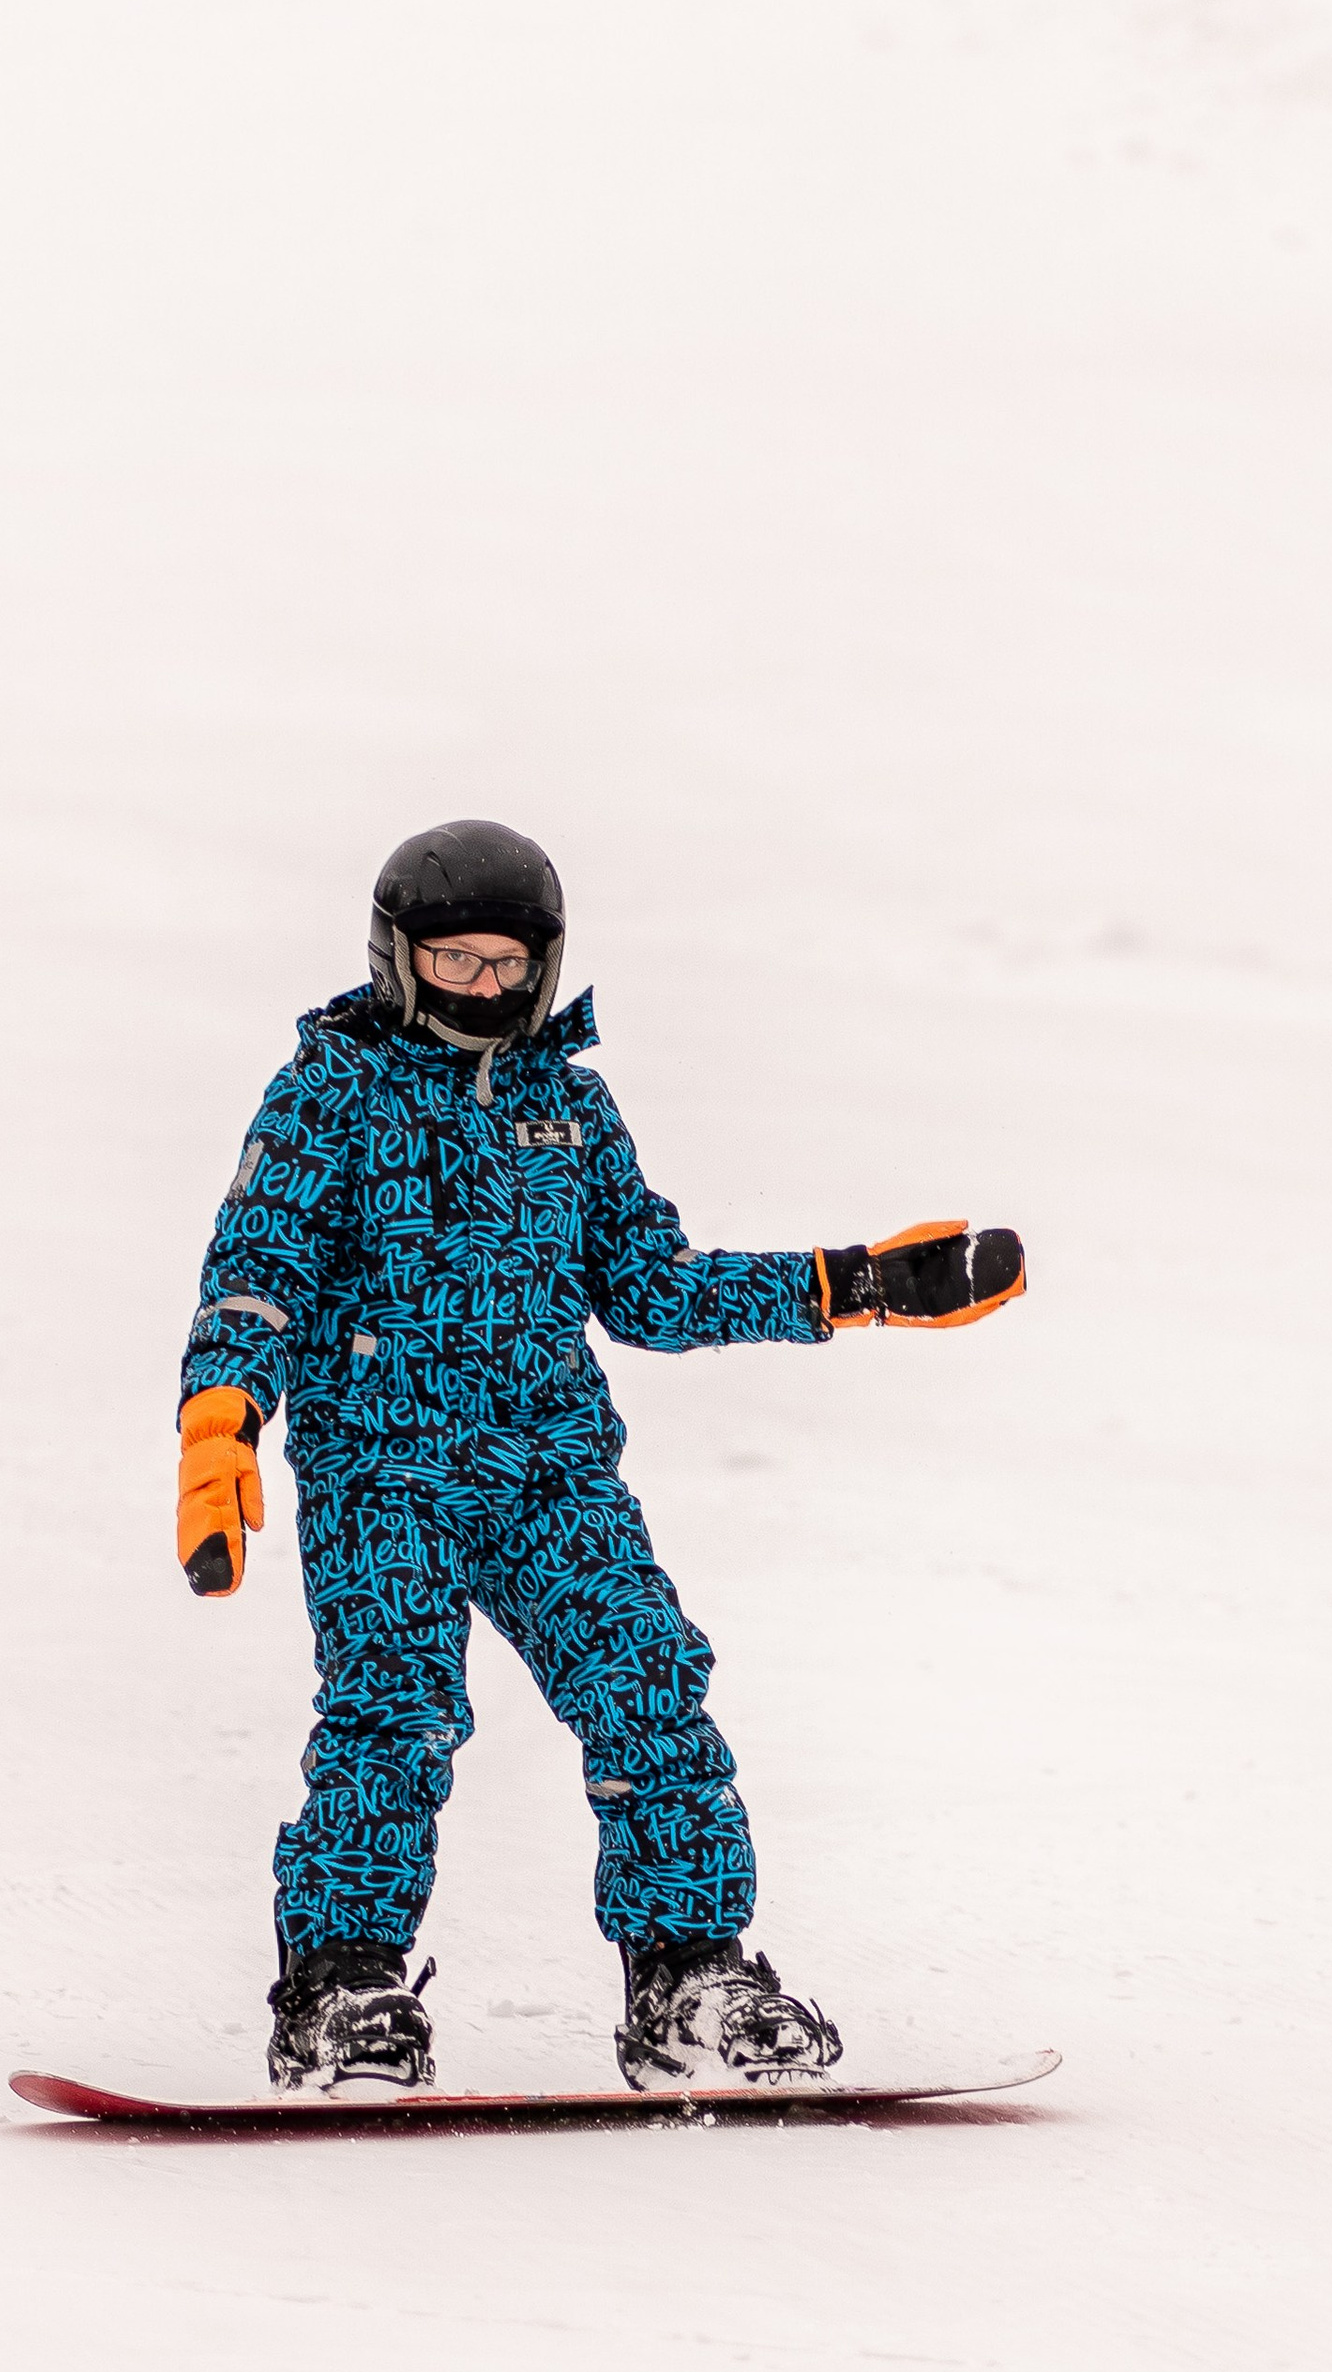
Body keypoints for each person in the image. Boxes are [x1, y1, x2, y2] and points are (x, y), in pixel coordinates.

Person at [174, 818, 1025, 2096]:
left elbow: (651, 1287)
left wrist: (854, 1285)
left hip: (551, 1475)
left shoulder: (565, 1100)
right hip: (383, 1472)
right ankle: (341, 1986)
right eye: (453, 963)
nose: (483, 990)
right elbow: (258, 1279)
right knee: (393, 1718)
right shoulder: (328, 1095)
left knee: (647, 1690)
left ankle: (688, 1980)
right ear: (396, 957)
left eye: (507, 966)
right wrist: (220, 1421)